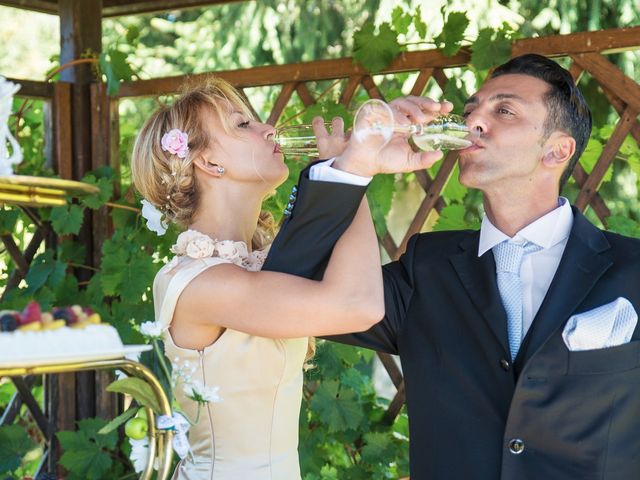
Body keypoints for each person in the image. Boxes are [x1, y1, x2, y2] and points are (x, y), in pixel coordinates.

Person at [263, 53, 640, 479]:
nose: (474, 121)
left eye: (504, 110)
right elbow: (287, 290)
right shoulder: (427, 269)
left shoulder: (634, 270)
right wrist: (356, 166)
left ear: (557, 151)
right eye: (471, 110)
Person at [130, 77, 447, 479]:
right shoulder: (195, 283)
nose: (269, 129)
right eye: (243, 125)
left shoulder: (265, 264)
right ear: (208, 163)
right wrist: (354, 169)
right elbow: (359, 306)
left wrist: (352, 171)